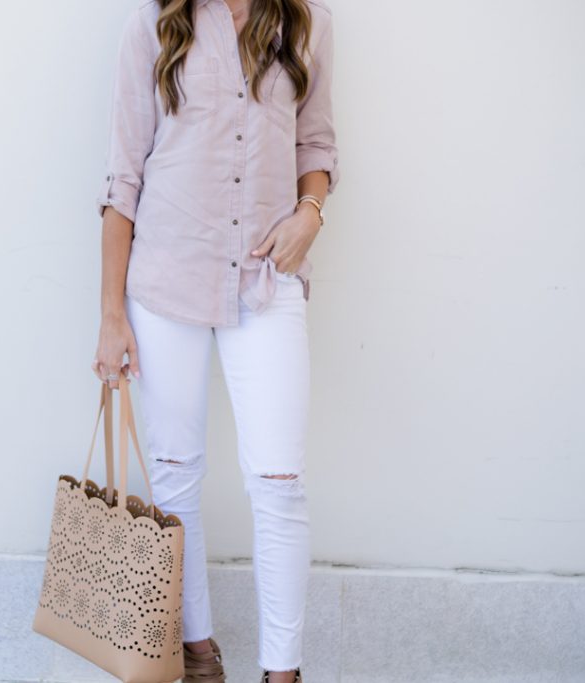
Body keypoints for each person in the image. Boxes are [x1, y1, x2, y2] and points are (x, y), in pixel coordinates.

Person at [91, 0, 339, 681]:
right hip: (167, 277)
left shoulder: (304, 20)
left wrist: (310, 214)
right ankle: (197, 654)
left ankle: (282, 674)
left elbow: (316, 144)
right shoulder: (155, 20)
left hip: (267, 275)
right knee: (174, 478)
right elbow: (124, 174)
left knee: (280, 482)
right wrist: (111, 315)